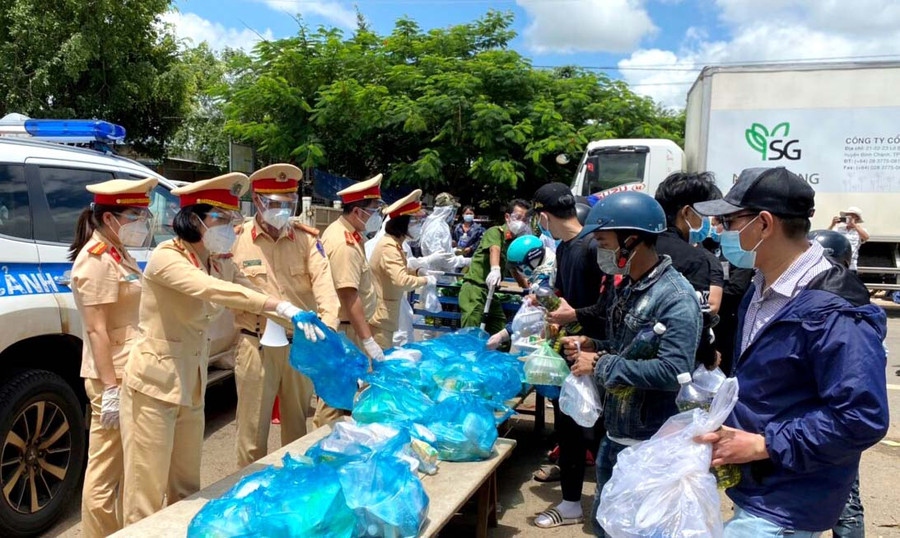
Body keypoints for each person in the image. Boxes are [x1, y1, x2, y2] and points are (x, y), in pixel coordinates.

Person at [693, 167, 889, 537]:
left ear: (764, 224)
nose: (721, 232)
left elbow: (862, 417)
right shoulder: (762, 287)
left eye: (728, 220)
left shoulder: (834, 311)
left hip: (788, 504)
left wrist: (765, 444)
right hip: (759, 488)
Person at [120, 173, 312, 525]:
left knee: (187, 486)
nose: (228, 227)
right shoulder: (168, 257)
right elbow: (214, 291)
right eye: (220, 219)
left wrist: (295, 313)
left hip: (191, 382)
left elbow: (242, 283)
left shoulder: (216, 258)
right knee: (144, 492)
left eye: (231, 219)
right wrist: (277, 306)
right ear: (194, 220)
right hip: (154, 385)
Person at [562, 191, 701, 538]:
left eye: (603, 241)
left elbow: (673, 371)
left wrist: (601, 364)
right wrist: (595, 345)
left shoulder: (676, 297)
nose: (600, 251)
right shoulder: (631, 287)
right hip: (616, 435)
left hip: (649, 445)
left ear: (632, 241)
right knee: (607, 526)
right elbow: (630, 350)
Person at [230, 164, 341, 469]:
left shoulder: (305, 240)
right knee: (252, 434)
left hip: (300, 345)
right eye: (275, 203)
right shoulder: (236, 241)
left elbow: (325, 287)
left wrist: (327, 329)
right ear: (258, 201)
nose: (282, 210)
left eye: (288, 203)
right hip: (256, 345)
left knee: (297, 431)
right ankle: (248, 494)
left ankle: (293, 493)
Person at [69, 177, 156, 538]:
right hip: (111, 377)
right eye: (135, 214)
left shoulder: (118, 251)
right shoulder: (96, 260)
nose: (142, 222)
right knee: (104, 472)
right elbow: (96, 330)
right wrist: (109, 389)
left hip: (126, 371)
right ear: (110, 219)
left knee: (122, 467)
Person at [527, 183, 608, 530]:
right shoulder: (565, 249)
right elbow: (564, 296)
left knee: (596, 432)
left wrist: (572, 317)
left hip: (593, 352)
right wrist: (548, 306)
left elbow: (609, 308)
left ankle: (596, 506)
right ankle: (573, 503)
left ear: (543, 215)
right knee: (570, 428)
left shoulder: (593, 246)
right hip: (569, 351)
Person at [317, 174, 386, 426]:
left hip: (349, 328)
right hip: (345, 329)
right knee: (335, 396)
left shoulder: (350, 235)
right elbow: (348, 294)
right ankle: (322, 445)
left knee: (345, 393)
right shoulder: (343, 243)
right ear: (357, 211)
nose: (378, 215)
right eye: (374, 210)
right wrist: (367, 340)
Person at [653, 172, 725, 368]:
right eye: (703, 215)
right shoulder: (695, 259)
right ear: (686, 213)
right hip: (673, 366)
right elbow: (698, 320)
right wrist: (709, 356)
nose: (706, 222)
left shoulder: (642, 247)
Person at [370, 189, 438, 348]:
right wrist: (425, 280)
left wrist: (416, 272)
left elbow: (399, 270)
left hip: (387, 314)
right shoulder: (389, 246)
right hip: (381, 316)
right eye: (415, 222)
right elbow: (401, 280)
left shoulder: (395, 244)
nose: (418, 226)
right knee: (378, 367)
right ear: (402, 223)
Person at [458, 199, 532, 333]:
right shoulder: (495, 232)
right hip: (475, 288)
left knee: (500, 333)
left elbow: (513, 268)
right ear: (507, 217)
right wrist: (495, 269)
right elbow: (494, 249)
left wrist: (527, 288)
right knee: (471, 333)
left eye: (525, 219)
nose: (521, 222)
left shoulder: (513, 243)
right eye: (518, 217)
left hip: (491, 293)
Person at [486, 234, 556, 349]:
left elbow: (528, 315)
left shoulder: (547, 281)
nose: (518, 272)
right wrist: (503, 334)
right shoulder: (541, 275)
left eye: (519, 267)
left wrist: (503, 335)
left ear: (532, 261)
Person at [420, 192, 471, 272]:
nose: (453, 213)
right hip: (438, 275)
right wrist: (464, 261)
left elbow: (441, 250)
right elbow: (439, 259)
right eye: (453, 210)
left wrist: (453, 251)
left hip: (444, 274)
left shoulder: (441, 224)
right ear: (447, 210)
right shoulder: (436, 228)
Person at [828, 206, 869, 272]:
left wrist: (854, 225)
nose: (848, 218)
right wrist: (832, 224)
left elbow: (866, 237)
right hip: (837, 265)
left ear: (856, 218)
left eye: (851, 216)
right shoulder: (839, 229)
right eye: (847, 216)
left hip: (851, 266)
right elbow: (827, 235)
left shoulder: (860, 230)